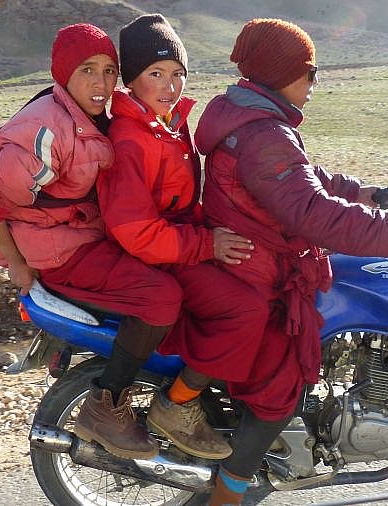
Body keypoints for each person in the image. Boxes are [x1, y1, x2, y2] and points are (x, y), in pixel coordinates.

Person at [193, 18, 388, 505]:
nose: (314, 80)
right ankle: (228, 494)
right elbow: (311, 212)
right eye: (308, 71)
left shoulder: (253, 119)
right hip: (259, 271)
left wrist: (366, 192)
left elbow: (301, 180)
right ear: (280, 72)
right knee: (281, 388)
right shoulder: (265, 133)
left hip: (254, 260)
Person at [0, 23, 183, 460]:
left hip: (82, 237)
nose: (101, 83)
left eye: (109, 70)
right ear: (64, 74)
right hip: (58, 253)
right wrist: (16, 263)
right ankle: (106, 407)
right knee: (161, 299)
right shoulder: (44, 131)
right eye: (87, 70)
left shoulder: (89, 116)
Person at [97, 13, 267, 461]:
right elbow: (136, 230)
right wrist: (207, 245)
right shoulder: (132, 138)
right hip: (158, 255)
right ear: (132, 80)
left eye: (178, 74)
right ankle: (176, 405)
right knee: (248, 309)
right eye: (156, 74)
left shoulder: (168, 123)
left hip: (180, 243)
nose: (170, 86)